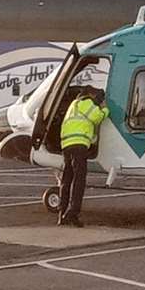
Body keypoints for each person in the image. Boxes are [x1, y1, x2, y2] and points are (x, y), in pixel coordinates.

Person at [57, 87, 108, 227]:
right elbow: (97, 117)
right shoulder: (85, 103)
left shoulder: (73, 105)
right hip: (79, 145)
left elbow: (83, 125)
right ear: (89, 95)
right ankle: (73, 212)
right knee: (79, 180)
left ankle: (61, 214)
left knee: (67, 179)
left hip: (67, 145)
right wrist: (105, 108)